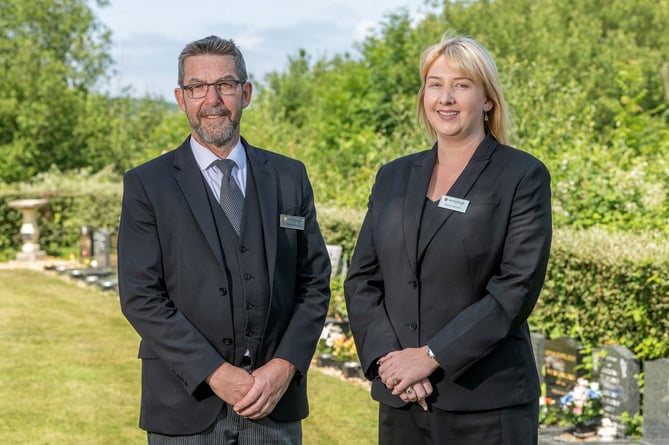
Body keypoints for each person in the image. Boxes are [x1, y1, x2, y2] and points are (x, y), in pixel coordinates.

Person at [117, 35, 331, 444]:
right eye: (198, 87)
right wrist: (214, 373)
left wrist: (285, 365)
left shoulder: (289, 177)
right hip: (184, 406)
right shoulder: (148, 184)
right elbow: (141, 296)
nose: (212, 99)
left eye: (226, 85)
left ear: (246, 93)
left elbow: (314, 283)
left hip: (274, 404)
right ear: (181, 98)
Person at [344, 31, 552, 444]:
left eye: (462, 85)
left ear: (487, 99)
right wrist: (392, 362)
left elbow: (515, 289)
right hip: (403, 398)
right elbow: (362, 279)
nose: (446, 98)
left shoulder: (522, 176)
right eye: (435, 84)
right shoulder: (393, 176)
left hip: (487, 405)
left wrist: (431, 357)